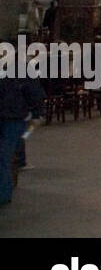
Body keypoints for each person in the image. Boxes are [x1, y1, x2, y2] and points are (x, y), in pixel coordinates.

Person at [1, 71, 44, 207]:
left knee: (4, 156)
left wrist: (37, 114)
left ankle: (3, 194)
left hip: (13, 119)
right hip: (13, 118)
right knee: (5, 156)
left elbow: (35, 93)